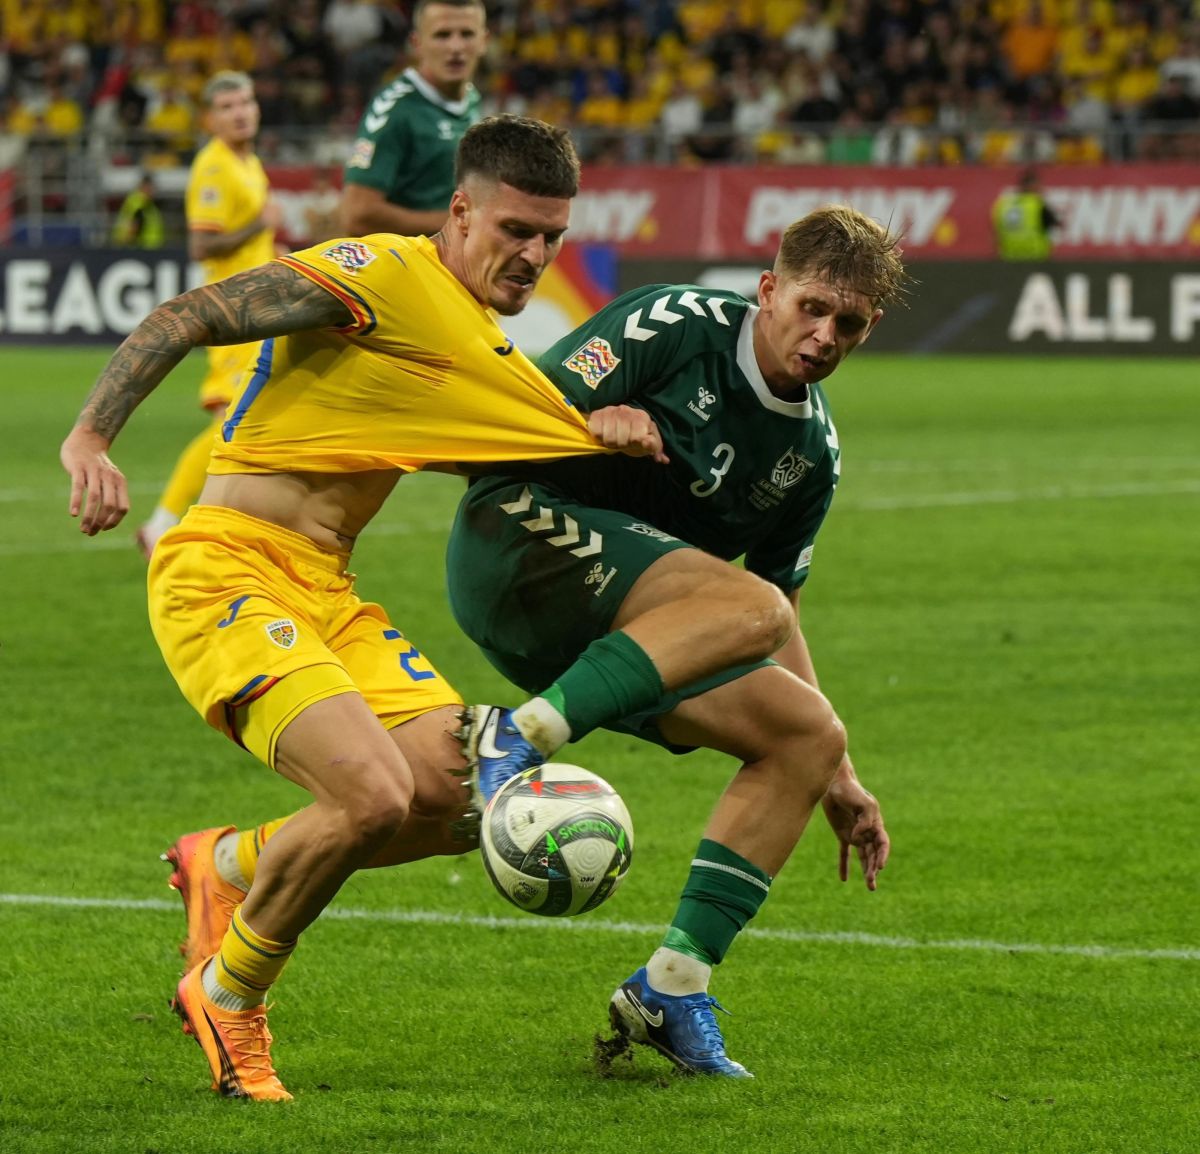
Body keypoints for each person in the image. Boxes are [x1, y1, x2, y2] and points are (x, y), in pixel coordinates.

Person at [59, 115, 665, 1103]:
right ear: (460, 211)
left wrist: (607, 428)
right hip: (225, 570)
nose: (534, 255)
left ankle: (230, 861)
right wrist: (90, 438)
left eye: (551, 237)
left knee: (469, 796)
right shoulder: (379, 273)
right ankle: (230, 992)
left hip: (324, 591)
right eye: (515, 229)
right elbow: (191, 312)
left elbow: (545, 431)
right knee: (372, 795)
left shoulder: (478, 335)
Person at [444, 205, 900, 1078]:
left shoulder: (812, 451)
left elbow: (777, 615)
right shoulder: (671, 324)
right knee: (754, 606)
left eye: (849, 322)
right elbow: (497, 419)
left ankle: (671, 988)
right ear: (768, 291)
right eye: (811, 307)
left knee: (807, 735)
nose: (824, 334)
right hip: (518, 543)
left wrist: (839, 779)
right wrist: (585, 425)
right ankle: (515, 738)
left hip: (615, 637)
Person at [135, 71, 281, 559]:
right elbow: (202, 243)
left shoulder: (249, 162)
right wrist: (261, 224)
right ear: (210, 118)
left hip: (258, 312)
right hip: (234, 313)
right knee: (230, 424)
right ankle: (162, 523)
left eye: (246, 102)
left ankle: (228, 526)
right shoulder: (214, 167)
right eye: (227, 106)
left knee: (249, 422)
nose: (240, 112)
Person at [339, 0, 487, 237]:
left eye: (467, 34)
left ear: (484, 41)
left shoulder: (471, 98)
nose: (456, 47)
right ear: (417, 44)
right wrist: (456, 222)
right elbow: (356, 215)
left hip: (449, 268)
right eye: (442, 35)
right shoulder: (395, 109)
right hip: (404, 268)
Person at [992, 167, 1061, 260]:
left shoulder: (1002, 205)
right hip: (1034, 259)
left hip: (1008, 260)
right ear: (1032, 186)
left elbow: (996, 232)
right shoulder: (1037, 205)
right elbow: (1055, 223)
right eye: (1039, 185)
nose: (1041, 189)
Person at [111, 172, 165, 249]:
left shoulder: (147, 204)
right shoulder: (139, 204)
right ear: (144, 187)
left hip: (150, 248)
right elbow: (133, 226)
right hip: (142, 248)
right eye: (151, 187)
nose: (154, 190)